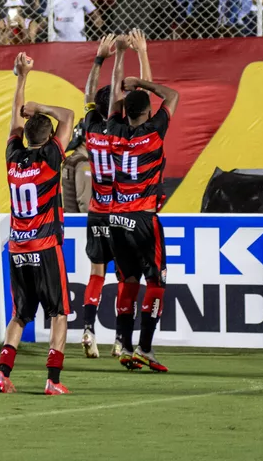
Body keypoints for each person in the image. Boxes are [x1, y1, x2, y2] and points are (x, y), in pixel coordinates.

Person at [0, 52, 75, 395]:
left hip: (17, 247)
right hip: (45, 245)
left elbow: (15, 119)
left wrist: (21, 78)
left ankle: (2, 375)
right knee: (58, 314)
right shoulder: (50, 157)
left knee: (20, 315)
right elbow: (69, 116)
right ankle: (52, 381)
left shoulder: (13, 156)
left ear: (25, 136)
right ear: (49, 137)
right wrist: (41, 105)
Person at [107, 31, 178, 373]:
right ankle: (145, 349)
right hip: (144, 219)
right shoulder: (154, 133)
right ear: (149, 111)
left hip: (116, 219)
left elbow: (117, 102)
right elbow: (172, 94)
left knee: (127, 281)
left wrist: (121, 60)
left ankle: (123, 343)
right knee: (156, 281)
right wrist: (143, 74)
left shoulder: (114, 133)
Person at [80, 33, 153, 359]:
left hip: (95, 209)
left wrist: (100, 58)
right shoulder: (122, 130)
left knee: (96, 272)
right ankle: (121, 340)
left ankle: (88, 329)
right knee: (127, 275)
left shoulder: (92, 127)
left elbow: (88, 94)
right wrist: (136, 54)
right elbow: (145, 97)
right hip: (122, 209)